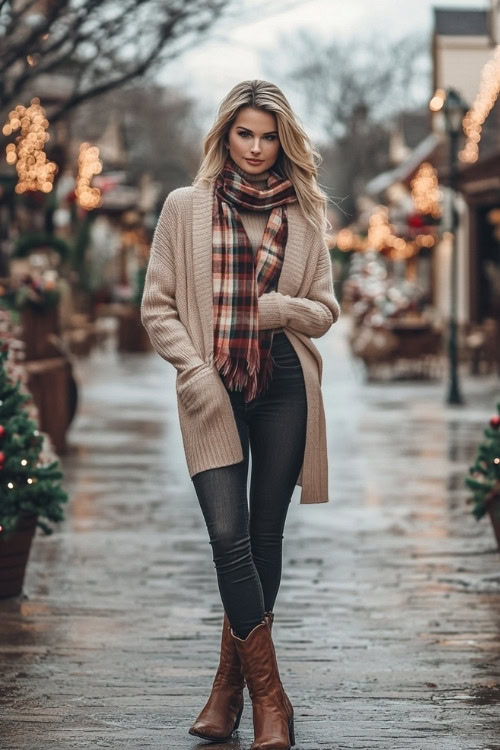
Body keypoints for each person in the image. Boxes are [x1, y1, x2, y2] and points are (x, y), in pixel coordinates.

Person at [141, 79, 340, 750]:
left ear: (284, 141)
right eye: (244, 133)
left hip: (284, 382)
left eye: (267, 136)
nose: (255, 148)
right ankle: (272, 700)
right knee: (228, 537)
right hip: (212, 385)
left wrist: (280, 309)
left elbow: (326, 311)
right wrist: (193, 370)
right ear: (225, 135)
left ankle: (228, 694)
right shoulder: (184, 208)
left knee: (264, 539)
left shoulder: (308, 215)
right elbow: (157, 307)